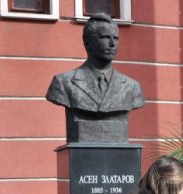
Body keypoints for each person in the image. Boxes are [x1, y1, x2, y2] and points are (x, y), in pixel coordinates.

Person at [46, 13, 145, 143]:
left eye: (115, 38)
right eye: (104, 37)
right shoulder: (64, 83)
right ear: (88, 43)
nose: (112, 44)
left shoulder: (131, 87)